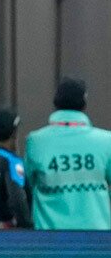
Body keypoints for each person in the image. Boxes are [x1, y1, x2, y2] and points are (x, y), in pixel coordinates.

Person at [25, 77, 111, 230]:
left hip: (49, 236)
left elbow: (29, 183)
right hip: (98, 238)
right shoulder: (106, 141)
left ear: (56, 102)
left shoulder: (36, 141)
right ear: (84, 102)